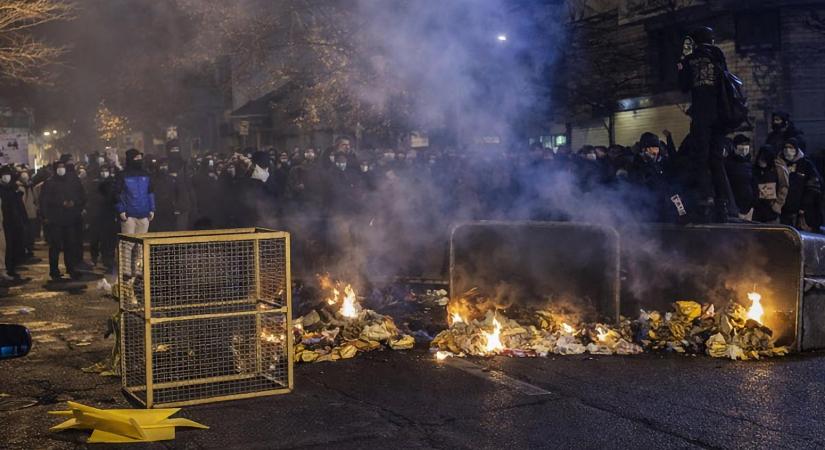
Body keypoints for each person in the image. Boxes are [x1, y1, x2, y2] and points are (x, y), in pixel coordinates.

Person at [677, 26, 731, 221]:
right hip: (720, 115)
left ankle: (704, 200)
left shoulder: (690, 59)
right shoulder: (718, 55)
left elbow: (684, 86)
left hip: (701, 114)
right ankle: (723, 204)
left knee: (700, 158)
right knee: (716, 160)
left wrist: (681, 66)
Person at [39, 161, 86, 280]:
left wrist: (74, 203)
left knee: (70, 244)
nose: (61, 169)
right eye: (59, 167)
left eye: (63, 167)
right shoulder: (49, 183)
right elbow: (44, 200)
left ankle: (71, 268)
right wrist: (46, 215)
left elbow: (80, 196)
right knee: (55, 246)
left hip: (69, 218)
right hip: (55, 219)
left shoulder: (71, 181)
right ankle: (54, 271)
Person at [115, 149, 155, 276]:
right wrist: (121, 210)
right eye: (136, 158)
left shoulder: (146, 174)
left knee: (140, 246)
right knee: (128, 244)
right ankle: (126, 271)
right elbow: (117, 194)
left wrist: (152, 209)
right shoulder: (122, 175)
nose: (139, 160)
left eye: (140, 158)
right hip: (129, 215)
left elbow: (150, 192)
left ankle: (138, 271)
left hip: (144, 214)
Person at [778, 138, 822, 231]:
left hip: (802, 213)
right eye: (785, 147)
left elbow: (813, 187)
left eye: (791, 147)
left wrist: (804, 206)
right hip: (782, 211)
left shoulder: (806, 165)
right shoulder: (779, 164)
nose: (788, 150)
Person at [0, 166, 27, 280]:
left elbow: (19, 205)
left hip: (15, 221)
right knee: (7, 247)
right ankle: (6, 269)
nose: (6, 177)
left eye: (8, 174)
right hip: (4, 222)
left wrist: (23, 218)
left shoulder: (14, 188)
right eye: (4, 174)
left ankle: (12, 268)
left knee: (15, 245)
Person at [752, 145, 787, 223]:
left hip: (771, 209)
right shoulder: (754, 169)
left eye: (764, 160)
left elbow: (783, 186)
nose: (761, 162)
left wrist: (778, 204)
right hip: (756, 209)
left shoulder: (777, 169)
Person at [725, 135, 756, 220]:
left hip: (749, 209)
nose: (744, 147)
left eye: (746, 144)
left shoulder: (750, 164)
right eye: (741, 144)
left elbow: (754, 185)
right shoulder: (728, 164)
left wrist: (752, 208)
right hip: (734, 208)